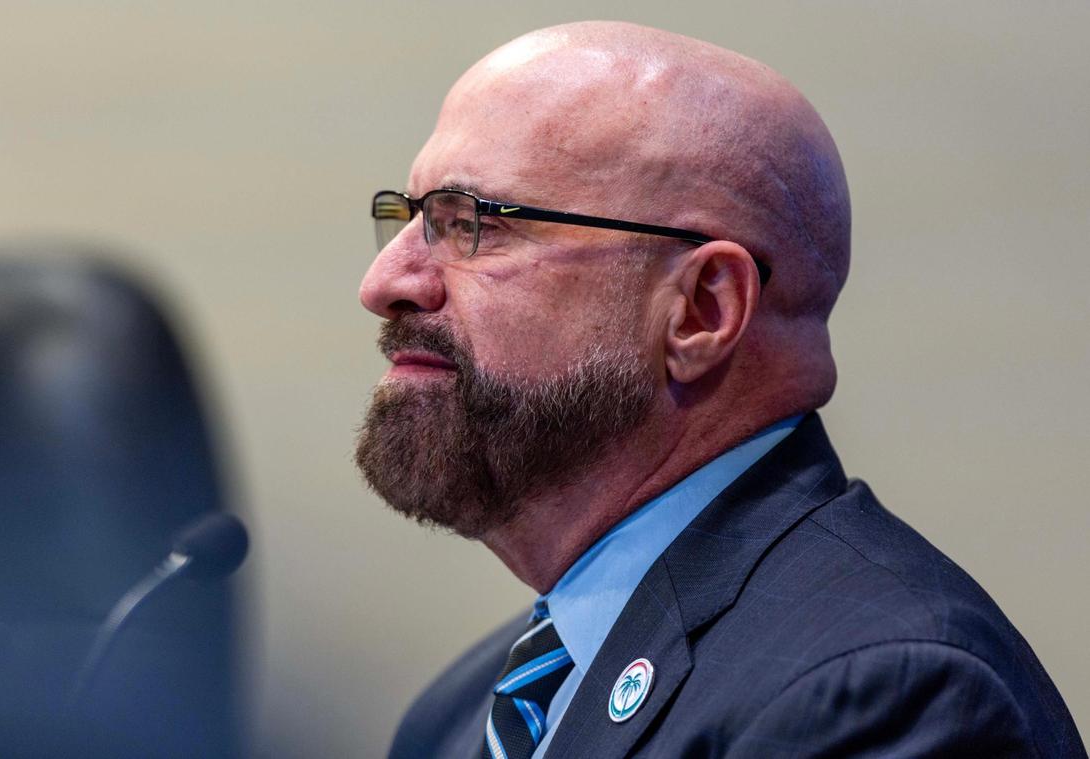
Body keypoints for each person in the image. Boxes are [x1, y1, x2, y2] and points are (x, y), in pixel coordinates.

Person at [355, 21, 1086, 759]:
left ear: (703, 309)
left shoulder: (884, 692)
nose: (384, 283)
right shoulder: (453, 721)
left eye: (471, 223)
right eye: (410, 218)